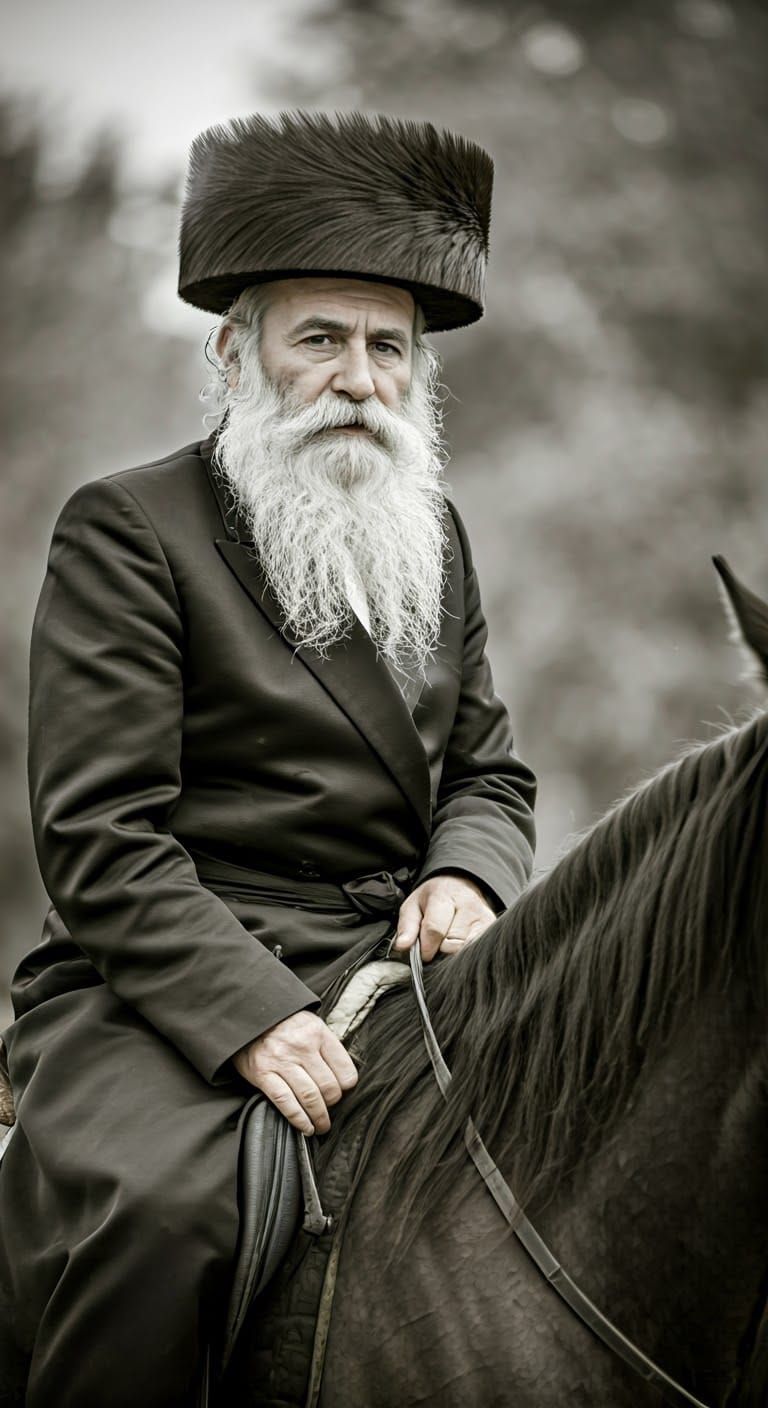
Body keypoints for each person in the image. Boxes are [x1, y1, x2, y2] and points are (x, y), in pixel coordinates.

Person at [0, 111, 536, 1407]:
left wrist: (468, 878)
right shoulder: (126, 527)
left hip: (399, 970)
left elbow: (492, 775)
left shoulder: (437, 534)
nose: (360, 377)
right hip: (169, 983)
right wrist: (251, 1018)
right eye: (321, 340)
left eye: (388, 348)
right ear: (236, 357)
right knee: (162, 1221)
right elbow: (98, 840)